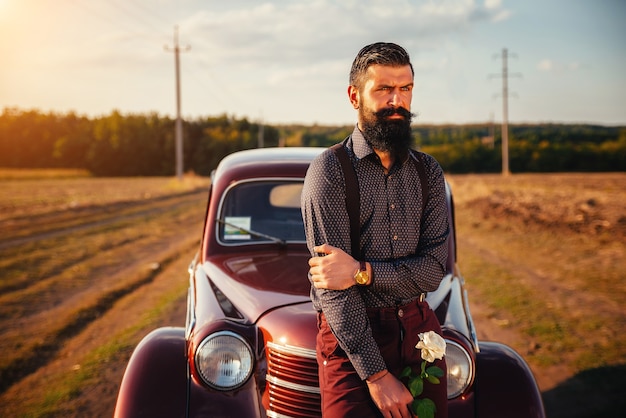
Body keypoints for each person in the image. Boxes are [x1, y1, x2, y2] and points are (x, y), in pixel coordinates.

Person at [301, 42, 450, 417]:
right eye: (383, 89)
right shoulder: (330, 171)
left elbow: (433, 271)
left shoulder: (428, 172)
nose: (396, 101)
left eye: (405, 88)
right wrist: (377, 374)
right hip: (351, 340)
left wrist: (360, 272)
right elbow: (333, 291)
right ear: (355, 96)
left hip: (420, 332)